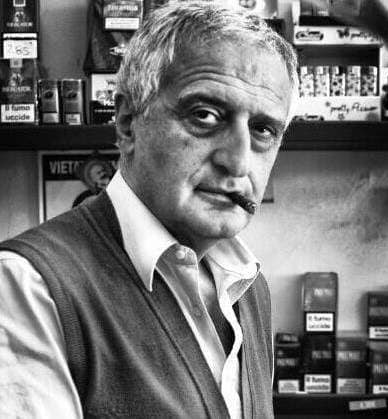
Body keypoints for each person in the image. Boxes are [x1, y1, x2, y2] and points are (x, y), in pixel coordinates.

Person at [0, 1, 298, 418]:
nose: (238, 162)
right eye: (205, 115)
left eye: (263, 130)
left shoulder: (248, 286)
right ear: (127, 123)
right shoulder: (29, 287)